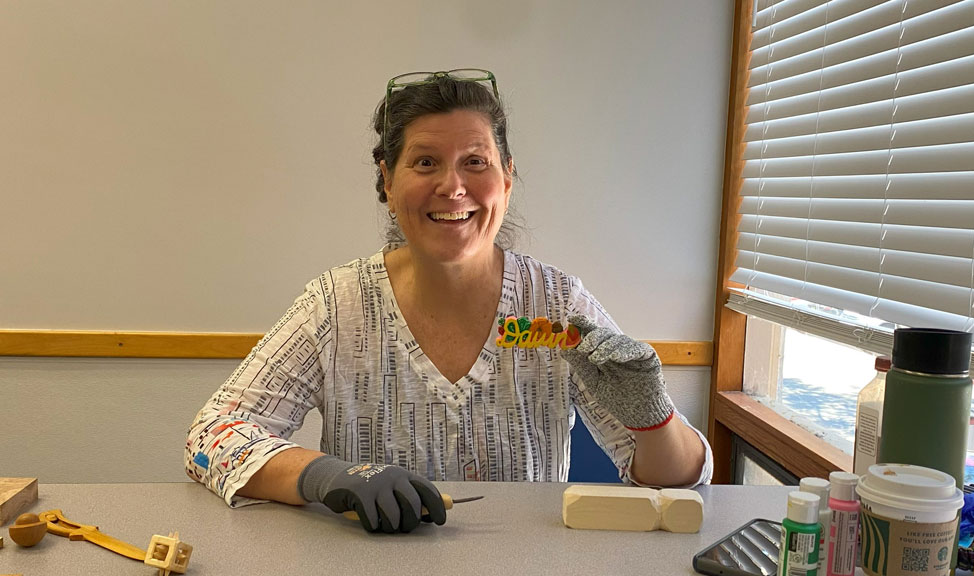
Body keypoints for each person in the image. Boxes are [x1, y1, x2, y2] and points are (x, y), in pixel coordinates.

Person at [185, 68, 712, 534]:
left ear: (507, 178)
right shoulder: (337, 305)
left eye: (475, 162)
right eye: (425, 162)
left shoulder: (554, 306)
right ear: (387, 182)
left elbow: (682, 485)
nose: (453, 186)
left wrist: (653, 417)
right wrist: (328, 476)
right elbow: (210, 439)